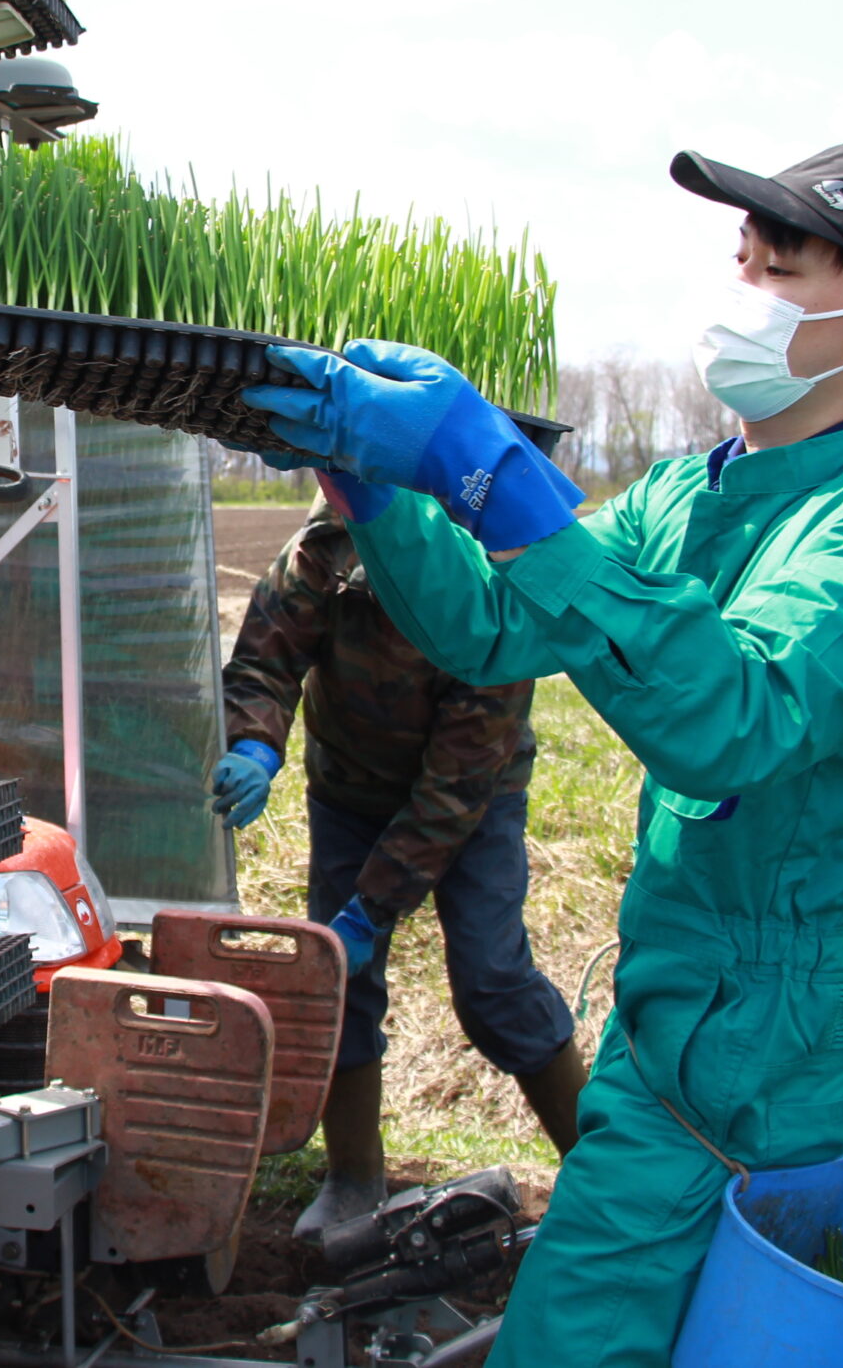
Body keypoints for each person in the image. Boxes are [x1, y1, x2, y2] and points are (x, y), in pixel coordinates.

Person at [240, 143, 843, 1366]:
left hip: (762, 1060)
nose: (737, 287)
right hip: (667, 1022)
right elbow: (488, 626)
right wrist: (383, 491)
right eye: (738, 258)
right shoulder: (691, 495)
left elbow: (728, 726)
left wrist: (501, 478)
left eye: (778, 268)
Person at [211, 496, 587, 1238]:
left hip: (473, 801)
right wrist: (256, 740)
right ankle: (353, 1177)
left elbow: (452, 792)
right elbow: (266, 654)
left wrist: (372, 906)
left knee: (491, 976)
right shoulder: (327, 550)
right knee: (339, 981)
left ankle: (599, 1169)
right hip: (350, 786)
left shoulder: (490, 592)